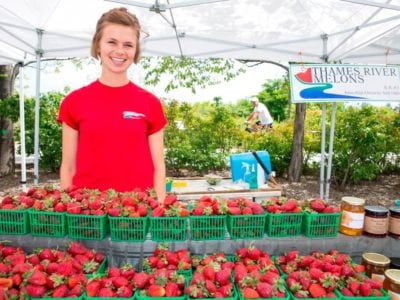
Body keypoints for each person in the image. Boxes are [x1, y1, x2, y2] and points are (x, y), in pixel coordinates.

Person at [58, 7, 167, 202]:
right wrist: (73, 209)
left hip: (137, 212)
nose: (120, 51)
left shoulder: (150, 103)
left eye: (128, 45)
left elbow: (159, 167)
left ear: (135, 51)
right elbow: (68, 167)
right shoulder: (73, 102)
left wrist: (158, 208)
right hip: (89, 213)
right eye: (111, 42)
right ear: (98, 45)